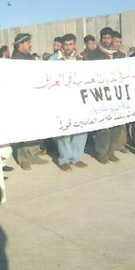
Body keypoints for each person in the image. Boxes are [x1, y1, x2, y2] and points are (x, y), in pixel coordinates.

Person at [84, 27, 125, 164]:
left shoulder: (120, 55)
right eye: (104, 38)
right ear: (101, 39)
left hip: (117, 94)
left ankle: (111, 151)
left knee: (116, 126)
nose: (107, 41)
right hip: (101, 95)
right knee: (104, 126)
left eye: (109, 38)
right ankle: (101, 152)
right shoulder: (93, 55)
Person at [49, 34, 88, 171]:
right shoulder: (53, 60)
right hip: (62, 100)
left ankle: (76, 158)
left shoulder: (81, 59)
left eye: (70, 45)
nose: (68, 48)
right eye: (65, 45)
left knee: (81, 129)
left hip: (79, 99)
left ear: (74, 45)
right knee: (65, 130)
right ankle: (64, 159)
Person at [11, 33, 49, 170]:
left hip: (33, 98)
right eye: (27, 43)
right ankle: (23, 159)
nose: (30, 45)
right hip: (21, 100)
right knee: (23, 129)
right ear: (20, 44)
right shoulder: (14, 59)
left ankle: (33, 155)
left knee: (35, 128)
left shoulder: (30, 57)